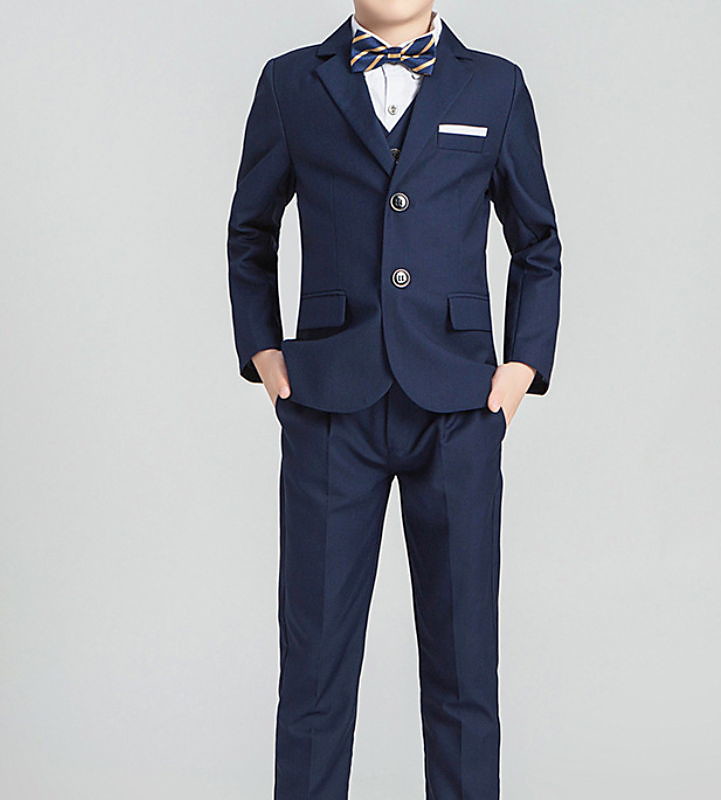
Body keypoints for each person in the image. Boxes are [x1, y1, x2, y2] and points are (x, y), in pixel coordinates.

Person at [227, 1, 561, 796]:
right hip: (329, 401)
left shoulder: (496, 87)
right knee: (313, 671)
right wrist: (263, 350)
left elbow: (537, 241)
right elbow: (250, 229)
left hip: (459, 403)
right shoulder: (290, 84)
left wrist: (522, 366)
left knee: (465, 668)